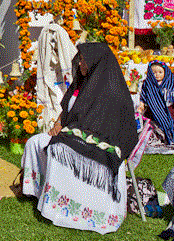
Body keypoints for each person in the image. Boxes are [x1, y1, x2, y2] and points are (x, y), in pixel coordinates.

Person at [20, 42, 138, 234]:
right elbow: (66, 108)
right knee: (35, 141)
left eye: (84, 61)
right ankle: (37, 192)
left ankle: (67, 208)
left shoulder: (112, 92)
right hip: (73, 131)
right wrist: (58, 123)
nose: (80, 64)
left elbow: (110, 127)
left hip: (101, 140)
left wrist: (71, 132)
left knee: (59, 148)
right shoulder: (81, 83)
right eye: (80, 60)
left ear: (96, 64)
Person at [137, 61, 174, 154]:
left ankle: (173, 138)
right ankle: (159, 138)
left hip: (169, 109)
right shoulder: (147, 84)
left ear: (165, 72)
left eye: (160, 72)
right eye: (154, 72)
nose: (157, 75)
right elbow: (143, 96)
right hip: (153, 110)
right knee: (153, 125)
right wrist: (141, 105)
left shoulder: (169, 83)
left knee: (172, 122)